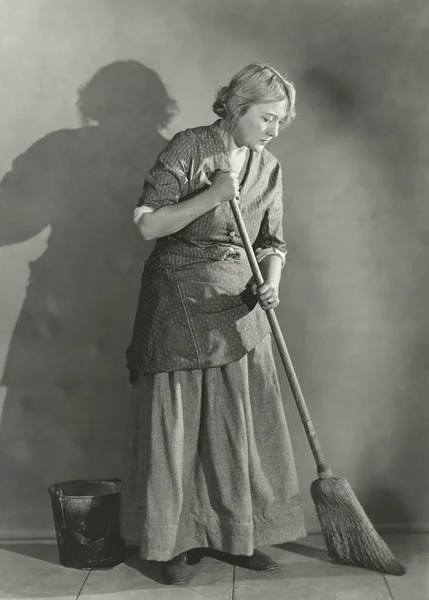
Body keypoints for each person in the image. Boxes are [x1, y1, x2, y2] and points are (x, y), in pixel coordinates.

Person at [121, 62, 306, 585]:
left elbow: (273, 242)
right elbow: (148, 225)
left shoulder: (269, 169)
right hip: (179, 297)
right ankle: (170, 543)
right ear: (237, 106)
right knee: (178, 427)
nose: (273, 130)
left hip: (241, 306)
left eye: (281, 122)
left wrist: (271, 280)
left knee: (235, 427)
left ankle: (236, 536)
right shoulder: (190, 146)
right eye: (267, 118)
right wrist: (212, 196)